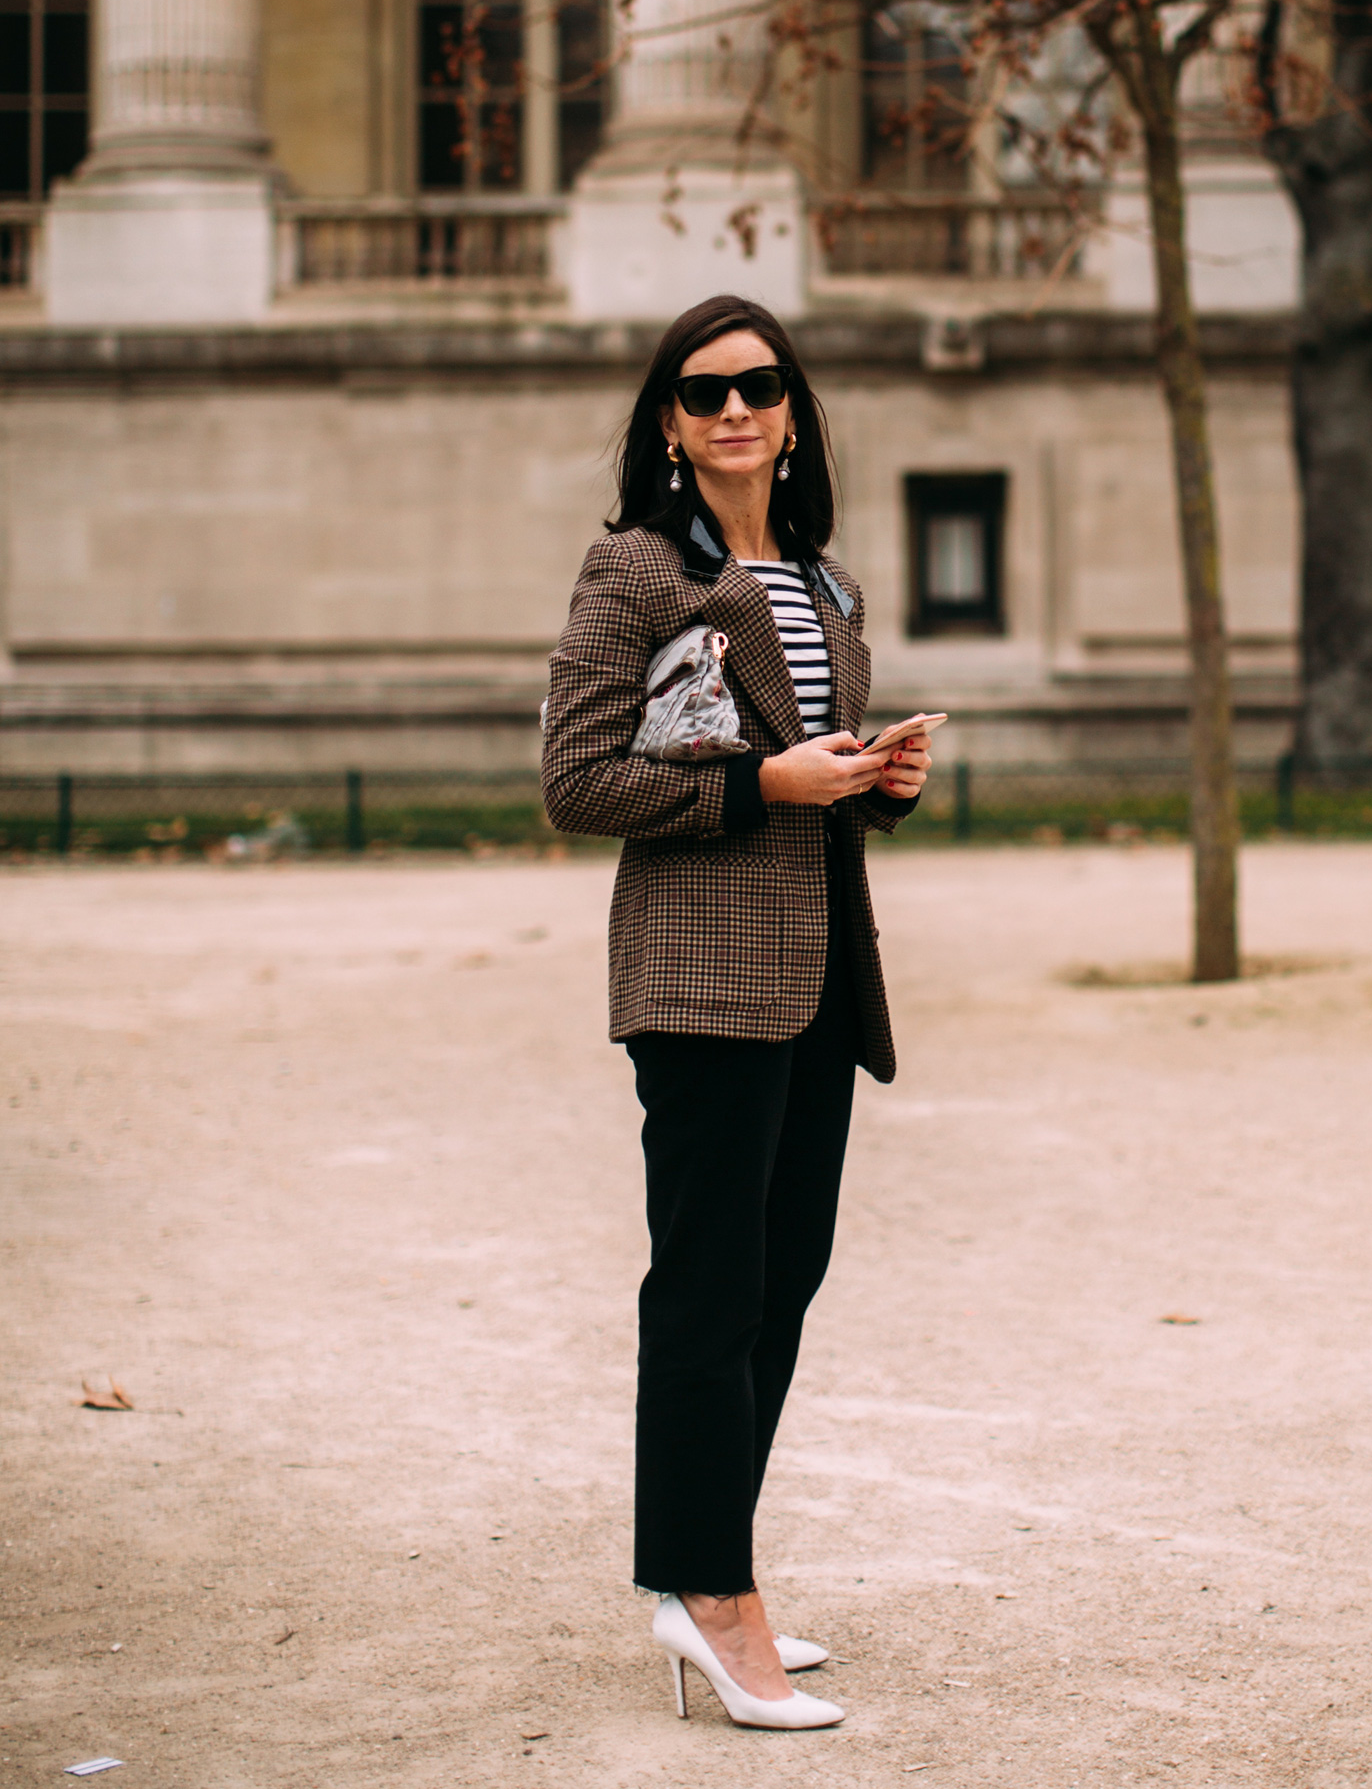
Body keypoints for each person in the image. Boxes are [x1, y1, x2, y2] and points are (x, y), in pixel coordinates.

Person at [540, 293, 935, 1732]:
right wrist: (763, 787)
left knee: (784, 1279)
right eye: (703, 392)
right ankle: (712, 1597)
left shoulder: (824, 585)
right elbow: (577, 782)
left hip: (820, 977)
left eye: (760, 387)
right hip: (701, 982)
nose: (734, 412)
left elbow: (807, 768)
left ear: (792, 411)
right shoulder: (637, 573)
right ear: (667, 421)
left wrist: (876, 785)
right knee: (707, 1291)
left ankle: (706, 1564)